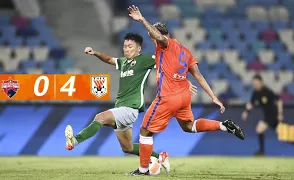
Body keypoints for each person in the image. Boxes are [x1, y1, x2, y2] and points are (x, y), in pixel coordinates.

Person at [126, 5, 245, 176]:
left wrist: (142, 19)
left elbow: (158, 36)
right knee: (189, 126)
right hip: (183, 96)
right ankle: (224, 126)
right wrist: (213, 96)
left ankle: (143, 170)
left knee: (145, 130)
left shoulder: (164, 44)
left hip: (168, 97)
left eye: (153, 36)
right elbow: (198, 75)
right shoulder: (185, 51)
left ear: (162, 35)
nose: (152, 40)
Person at [64, 33, 197, 170]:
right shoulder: (123, 62)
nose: (126, 49)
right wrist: (95, 53)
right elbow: (109, 59)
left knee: (100, 117)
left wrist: (184, 80)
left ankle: (74, 141)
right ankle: (160, 156)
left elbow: (169, 64)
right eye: (125, 46)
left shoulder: (146, 60)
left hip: (130, 108)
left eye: (130, 46)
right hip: (121, 109)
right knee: (127, 148)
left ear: (139, 48)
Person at [241, 75, 294, 156]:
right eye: (254, 83)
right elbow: (251, 104)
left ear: (261, 82)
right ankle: (262, 151)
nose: (255, 84)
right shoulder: (255, 93)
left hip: (274, 116)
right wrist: (246, 112)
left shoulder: (267, 91)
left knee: (280, 134)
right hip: (267, 117)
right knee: (262, 130)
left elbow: (279, 101)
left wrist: (280, 114)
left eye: (256, 83)